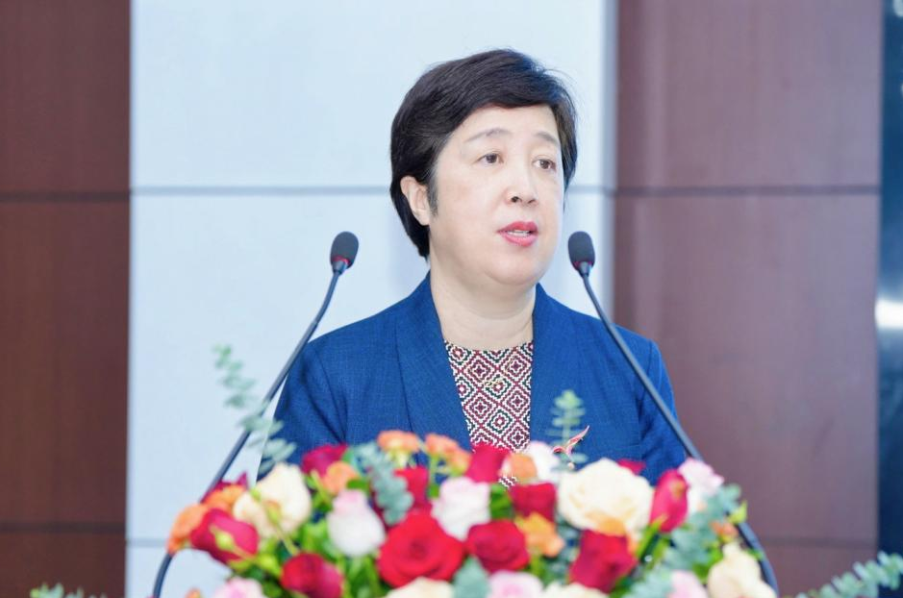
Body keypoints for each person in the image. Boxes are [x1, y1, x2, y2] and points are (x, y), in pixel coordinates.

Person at [270, 49, 685, 481]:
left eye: (545, 163)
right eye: (491, 158)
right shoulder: (334, 375)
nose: (526, 189)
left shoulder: (629, 368)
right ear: (420, 199)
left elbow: (685, 522)